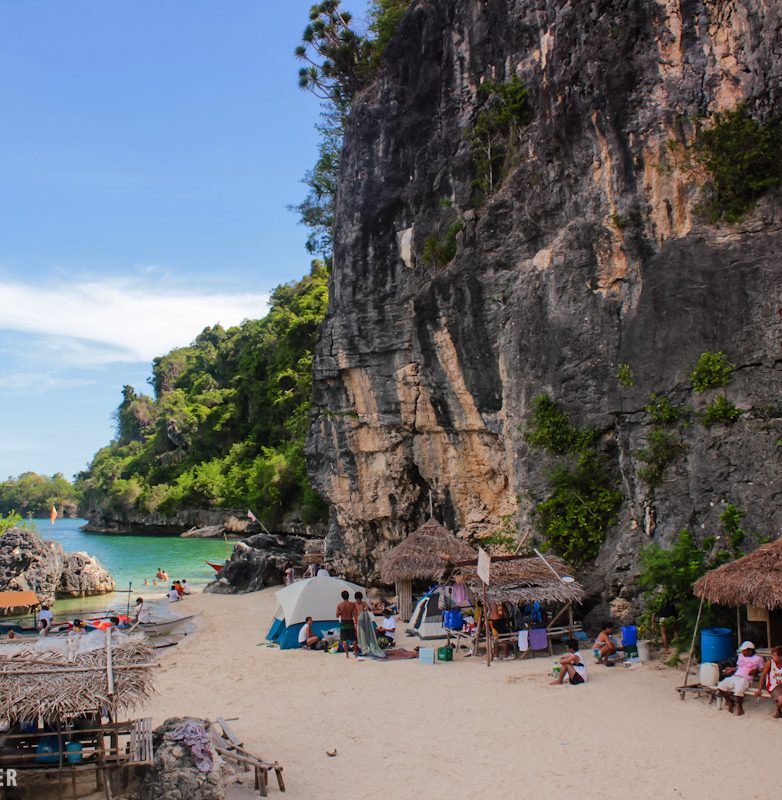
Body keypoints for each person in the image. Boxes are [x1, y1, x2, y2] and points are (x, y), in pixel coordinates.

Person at [717, 641, 766, 715]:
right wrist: (732, 669)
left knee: (738, 690)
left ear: (750, 651)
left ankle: (740, 706)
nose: (742, 652)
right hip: (735, 676)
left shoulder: (758, 659)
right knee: (720, 686)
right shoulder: (741, 656)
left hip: (745, 679)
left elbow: (763, 669)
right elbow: (739, 667)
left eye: (744, 650)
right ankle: (730, 701)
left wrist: (756, 670)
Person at [354, 592, 385, 658]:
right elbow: (354, 614)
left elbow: (370, 609)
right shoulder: (354, 605)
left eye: (360, 599)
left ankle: (366, 647)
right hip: (358, 622)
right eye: (358, 600)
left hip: (365, 622)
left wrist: (367, 608)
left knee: (366, 635)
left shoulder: (364, 603)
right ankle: (362, 648)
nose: (359, 601)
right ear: (356, 599)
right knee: (359, 636)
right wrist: (355, 623)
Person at [756, 645, 782, 719]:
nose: (772, 656)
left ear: (780, 657)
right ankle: (778, 709)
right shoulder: (769, 663)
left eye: (774, 655)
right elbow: (763, 676)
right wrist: (759, 689)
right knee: (781, 700)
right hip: (773, 685)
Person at [336, 590, 358, 659]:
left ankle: (347, 655)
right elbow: (355, 615)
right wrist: (356, 624)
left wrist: (341, 613)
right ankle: (355, 653)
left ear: (342, 597)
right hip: (350, 622)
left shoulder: (339, 605)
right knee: (353, 639)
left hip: (343, 623)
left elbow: (337, 615)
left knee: (344, 640)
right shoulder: (352, 604)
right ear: (348, 596)